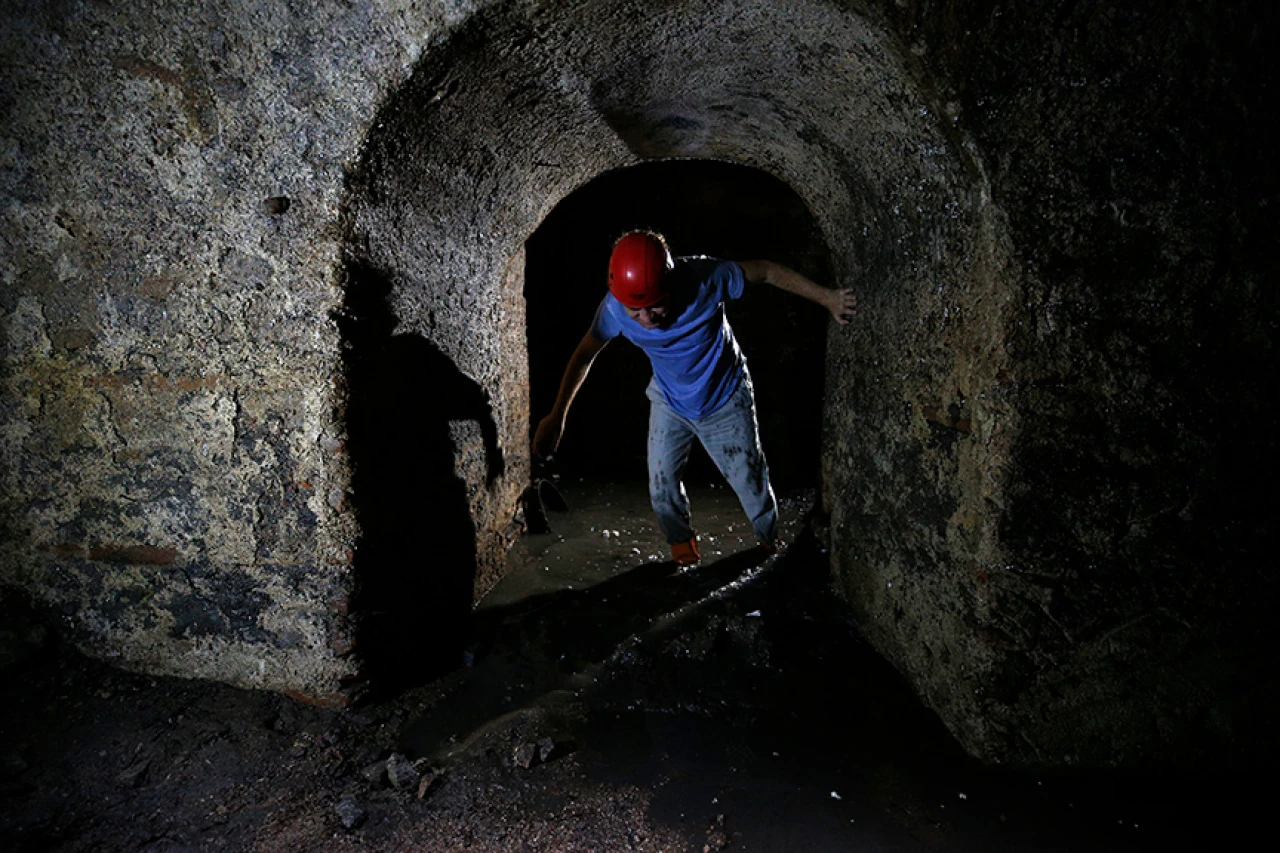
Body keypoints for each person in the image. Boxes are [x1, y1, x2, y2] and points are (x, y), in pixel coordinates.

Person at [532, 230, 857, 567]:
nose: (647, 319)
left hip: (725, 396)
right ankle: (683, 555)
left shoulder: (706, 279)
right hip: (670, 400)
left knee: (750, 483)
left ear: (670, 283)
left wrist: (827, 299)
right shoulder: (614, 309)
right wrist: (557, 416)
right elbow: (585, 354)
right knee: (660, 490)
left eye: (655, 304)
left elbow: (767, 270)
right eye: (635, 311)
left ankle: (769, 544)